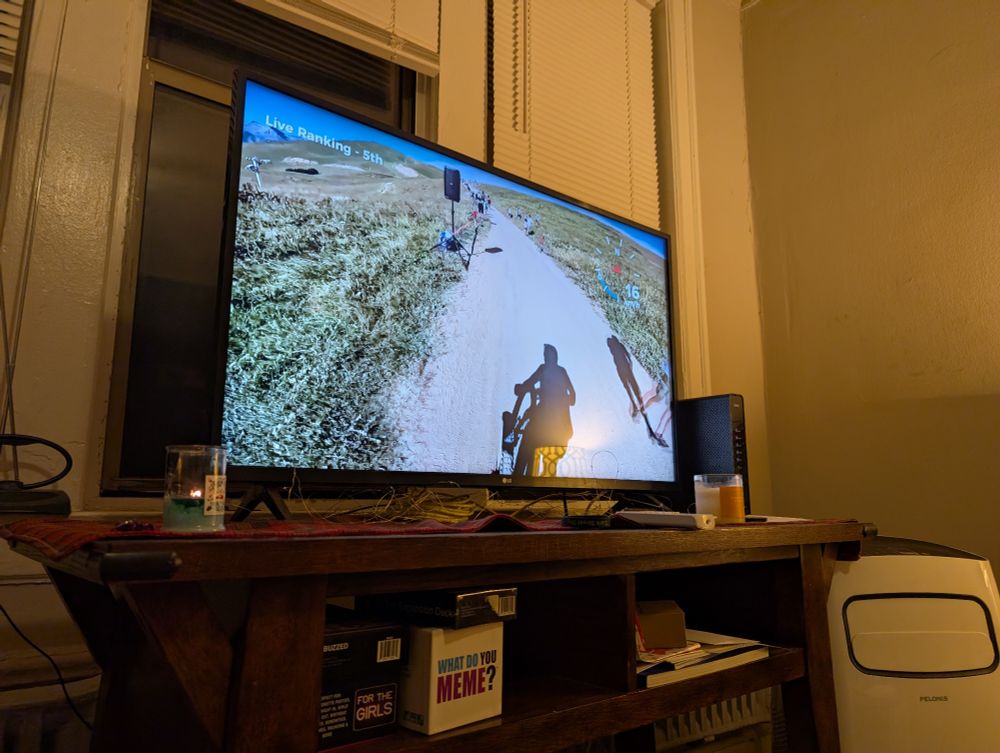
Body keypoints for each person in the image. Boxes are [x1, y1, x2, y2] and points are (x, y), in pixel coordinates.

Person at [511, 345, 576, 477]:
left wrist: (524, 388)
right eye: (545, 355)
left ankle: (517, 475)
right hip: (562, 430)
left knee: (527, 442)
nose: (545, 358)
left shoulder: (544, 368)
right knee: (549, 466)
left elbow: (530, 382)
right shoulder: (561, 371)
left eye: (546, 355)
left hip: (548, 426)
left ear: (552, 357)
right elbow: (573, 397)